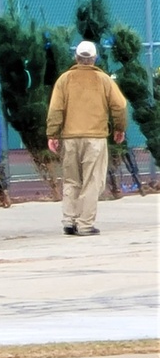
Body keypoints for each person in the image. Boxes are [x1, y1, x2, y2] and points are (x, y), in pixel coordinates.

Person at [46, 41, 127, 236]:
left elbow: (56, 109)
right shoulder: (104, 80)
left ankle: (69, 220)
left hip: (70, 137)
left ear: (76, 58)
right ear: (94, 59)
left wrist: (52, 134)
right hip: (95, 138)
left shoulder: (64, 80)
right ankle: (85, 223)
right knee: (93, 181)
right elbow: (120, 105)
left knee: (71, 180)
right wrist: (119, 128)